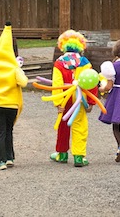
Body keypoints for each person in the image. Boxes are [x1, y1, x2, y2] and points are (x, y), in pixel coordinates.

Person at [49, 30, 98, 167]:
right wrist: (91, 101)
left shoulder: (59, 63)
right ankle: (79, 156)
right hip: (80, 98)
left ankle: (62, 154)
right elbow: (92, 81)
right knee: (80, 126)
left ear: (62, 45)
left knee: (63, 126)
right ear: (81, 45)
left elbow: (57, 84)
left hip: (65, 97)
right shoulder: (85, 62)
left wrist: (57, 102)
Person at [0, 22, 28, 170]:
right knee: (9, 130)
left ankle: (1, 160)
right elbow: (23, 83)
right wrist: (19, 71)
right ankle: (10, 157)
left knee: (0, 132)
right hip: (12, 105)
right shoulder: (14, 68)